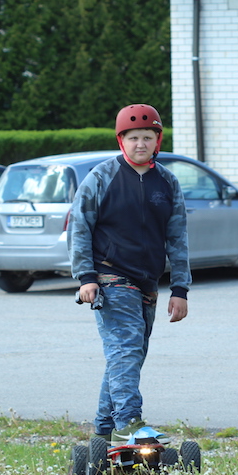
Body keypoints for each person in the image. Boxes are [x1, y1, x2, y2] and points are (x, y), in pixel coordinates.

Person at [67, 104, 191, 446]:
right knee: (125, 348)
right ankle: (128, 423)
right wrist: (86, 276)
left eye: (147, 137)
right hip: (110, 277)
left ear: (157, 141)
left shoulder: (166, 182)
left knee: (128, 355)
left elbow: (178, 237)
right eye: (133, 137)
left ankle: (104, 432)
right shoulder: (102, 177)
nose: (141, 144)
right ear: (121, 140)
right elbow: (79, 226)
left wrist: (180, 288)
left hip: (148, 282)